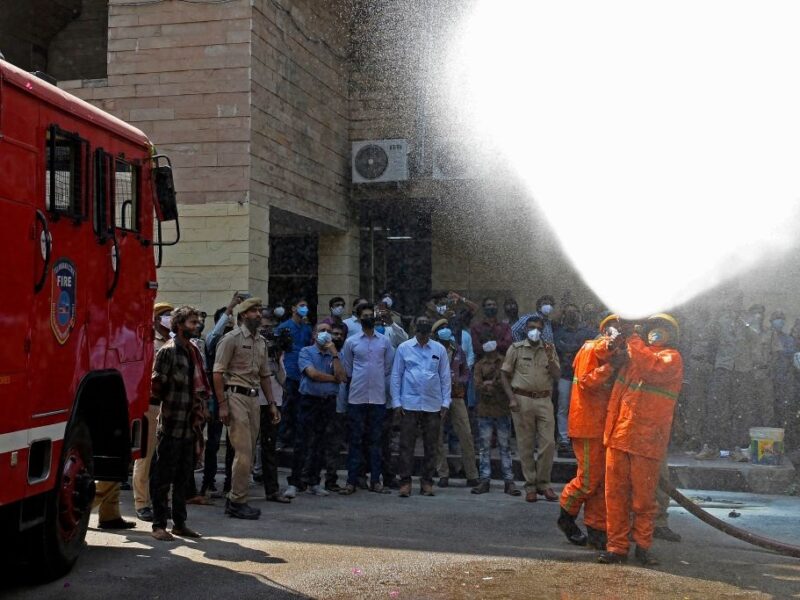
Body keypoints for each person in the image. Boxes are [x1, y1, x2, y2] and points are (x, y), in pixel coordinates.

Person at [599, 314, 684, 566]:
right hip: (620, 437)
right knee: (615, 497)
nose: (656, 332)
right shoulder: (636, 354)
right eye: (653, 328)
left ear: (672, 335)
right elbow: (607, 358)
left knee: (644, 500)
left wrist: (633, 338)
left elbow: (650, 368)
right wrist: (617, 336)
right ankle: (617, 548)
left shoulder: (671, 358)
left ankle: (644, 547)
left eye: (663, 328)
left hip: (647, 441)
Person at [557, 314, 622, 549]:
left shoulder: (610, 355)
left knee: (600, 482)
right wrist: (610, 367)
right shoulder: (590, 349)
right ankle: (566, 518)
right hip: (586, 426)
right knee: (587, 480)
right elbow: (586, 381)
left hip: (602, 427)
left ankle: (596, 530)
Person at [213, 298, 280, 519]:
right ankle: (236, 499)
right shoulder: (230, 339)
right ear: (243, 315)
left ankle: (237, 498)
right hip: (235, 396)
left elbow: (265, 375)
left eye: (260, 310)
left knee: (249, 452)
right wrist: (222, 404)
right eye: (253, 311)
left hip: (253, 399)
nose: (259, 314)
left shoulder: (260, 341)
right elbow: (217, 373)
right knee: (243, 452)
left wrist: (271, 404)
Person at [149, 305, 210, 541]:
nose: (197, 326)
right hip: (171, 422)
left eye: (197, 322)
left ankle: (180, 523)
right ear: (179, 325)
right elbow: (156, 387)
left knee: (183, 477)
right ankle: (158, 524)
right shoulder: (168, 351)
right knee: (163, 477)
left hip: (188, 425)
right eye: (192, 322)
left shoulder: (192, 350)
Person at [500, 315, 561, 502]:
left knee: (548, 443)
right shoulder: (516, 349)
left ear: (543, 331)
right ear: (526, 330)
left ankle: (544, 483)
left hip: (544, 399)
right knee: (525, 445)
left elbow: (557, 375)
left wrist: (551, 357)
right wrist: (511, 398)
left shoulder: (549, 349)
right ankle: (530, 486)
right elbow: (504, 374)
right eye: (531, 327)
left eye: (538, 328)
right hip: (522, 400)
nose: (535, 330)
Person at [391, 316, 451, 498]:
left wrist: (445, 402)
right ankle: (405, 482)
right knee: (406, 445)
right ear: (415, 330)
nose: (423, 336)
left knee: (431, 446)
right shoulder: (404, 348)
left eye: (426, 333)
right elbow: (396, 376)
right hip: (409, 404)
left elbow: (445, 376)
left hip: (432, 404)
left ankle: (427, 482)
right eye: (420, 332)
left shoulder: (439, 349)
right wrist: (396, 402)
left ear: (430, 333)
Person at [340, 303, 395, 495]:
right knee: (355, 441)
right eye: (365, 315)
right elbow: (347, 368)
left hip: (378, 398)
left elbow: (388, 367)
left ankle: (376, 481)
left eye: (371, 315)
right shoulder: (351, 342)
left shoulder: (384, 342)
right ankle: (351, 481)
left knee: (376, 441)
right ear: (359, 317)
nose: (368, 318)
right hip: (357, 396)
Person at [288, 322, 346, 497]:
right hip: (309, 401)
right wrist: (332, 378)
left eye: (329, 331)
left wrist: (334, 353)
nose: (326, 334)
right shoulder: (306, 352)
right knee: (302, 442)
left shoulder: (335, 355)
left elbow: (342, 377)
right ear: (314, 335)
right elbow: (312, 374)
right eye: (322, 331)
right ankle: (295, 482)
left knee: (321, 443)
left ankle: (314, 481)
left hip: (327, 402)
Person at [133, 301, 173, 523]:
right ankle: (141, 503)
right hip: (151, 404)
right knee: (145, 457)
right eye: (166, 315)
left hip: (168, 405)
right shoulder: (148, 341)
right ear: (157, 318)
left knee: (164, 458)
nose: (170, 318)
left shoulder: (174, 341)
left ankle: (160, 502)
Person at [432, 319, 479, 488]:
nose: (445, 330)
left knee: (466, 433)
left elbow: (466, 370)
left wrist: (460, 380)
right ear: (436, 333)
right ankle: (442, 473)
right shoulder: (432, 349)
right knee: (437, 435)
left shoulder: (457, 349)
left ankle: (472, 474)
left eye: (446, 327)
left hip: (457, 395)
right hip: (437, 397)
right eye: (441, 328)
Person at [471, 333, 520, 496]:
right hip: (485, 410)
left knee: (505, 446)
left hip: (502, 409)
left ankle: (509, 481)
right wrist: (492, 384)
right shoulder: (479, 364)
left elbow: (508, 380)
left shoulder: (504, 361)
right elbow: (477, 384)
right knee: (484, 447)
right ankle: (484, 479)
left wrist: (490, 384)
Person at [553, 304, 597, 454]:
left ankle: (578, 437)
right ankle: (564, 439)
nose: (572, 314)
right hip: (565, 376)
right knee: (563, 407)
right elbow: (560, 350)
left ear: (579, 314)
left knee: (581, 408)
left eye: (574, 311)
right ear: (564, 314)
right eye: (568, 312)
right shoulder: (558, 333)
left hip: (584, 377)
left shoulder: (589, 332)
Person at [274, 297, 313, 452]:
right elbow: (277, 350)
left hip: (304, 372)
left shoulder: (307, 328)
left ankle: (298, 438)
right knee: (287, 406)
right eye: (301, 306)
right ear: (293, 308)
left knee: (300, 407)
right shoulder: (284, 327)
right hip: (289, 371)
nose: (304, 309)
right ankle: (282, 438)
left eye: (306, 306)